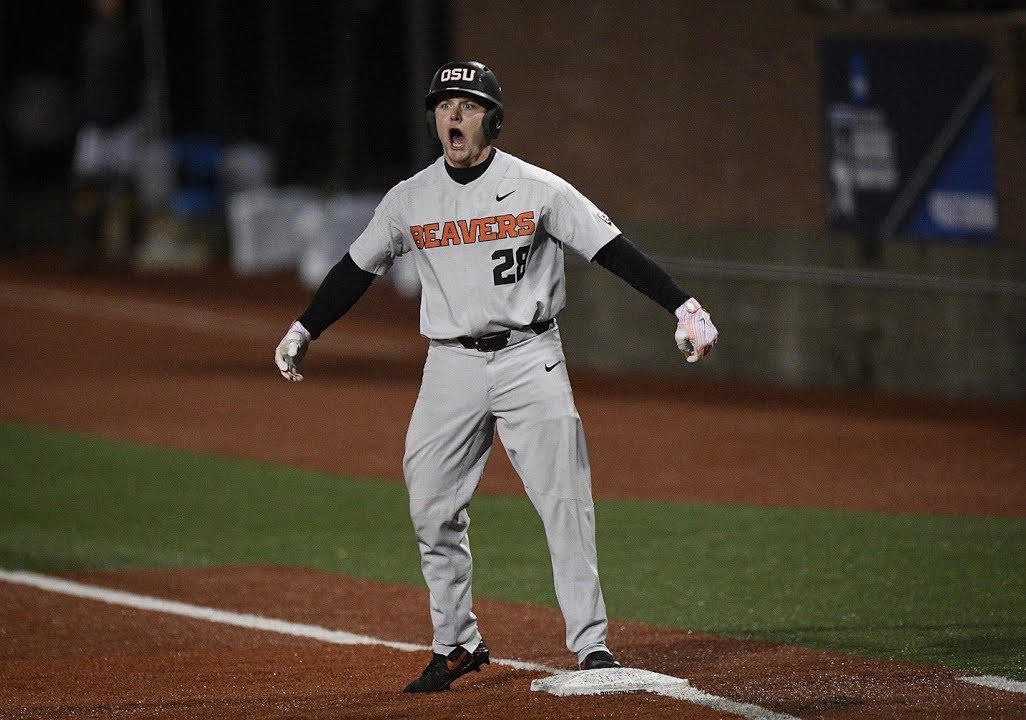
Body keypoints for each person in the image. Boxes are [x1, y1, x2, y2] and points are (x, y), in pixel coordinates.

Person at [274, 60, 719, 693]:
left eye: (468, 104)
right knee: (430, 505)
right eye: (443, 104)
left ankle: (592, 646)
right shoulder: (410, 198)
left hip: (528, 359)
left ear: (495, 121)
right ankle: (456, 643)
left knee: (564, 501)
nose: (452, 114)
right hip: (449, 366)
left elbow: (612, 249)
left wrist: (682, 305)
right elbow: (355, 269)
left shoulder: (537, 188)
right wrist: (305, 327)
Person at [69, 0, 145, 271]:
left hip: (124, 120)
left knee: (126, 184)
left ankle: (128, 247)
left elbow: (139, 78)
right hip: (95, 121)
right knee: (85, 182)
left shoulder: (131, 35)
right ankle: (88, 244)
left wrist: (129, 110)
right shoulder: (89, 35)